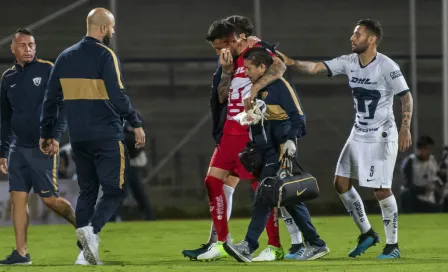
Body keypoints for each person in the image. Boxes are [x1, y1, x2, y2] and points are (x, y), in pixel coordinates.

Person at [267, 19, 413, 259]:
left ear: (372, 39)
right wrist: (291, 62)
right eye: (353, 34)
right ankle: (367, 232)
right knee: (341, 182)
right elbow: (316, 68)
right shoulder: (349, 62)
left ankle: (392, 245)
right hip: (358, 132)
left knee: (380, 189)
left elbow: (406, 96)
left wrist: (405, 127)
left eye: (358, 34)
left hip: (381, 135)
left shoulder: (387, 66)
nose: (352, 38)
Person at [39, 8, 145, 265]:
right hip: (107, 134)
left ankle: (84, 254)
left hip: (79, 137)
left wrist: (48, 133)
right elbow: (118, 95)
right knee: (115, 190)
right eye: (112, 27)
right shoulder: (106, 56)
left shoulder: (64, 57)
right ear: (103, 29)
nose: (113, 31)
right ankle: (91, 231)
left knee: (87, 191)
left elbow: (50, 99)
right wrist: (135, 122)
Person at [186, 16, 291, 262]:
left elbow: (280, 67)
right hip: (229, 133)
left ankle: (274, 246)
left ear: (232, 40)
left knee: (262, 188)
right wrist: (225, 71)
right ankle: (223, 242)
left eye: (220, 46)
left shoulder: (256, 53)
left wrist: (255, 88)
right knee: (213, 182)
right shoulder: (230, 61)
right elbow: (222, 96)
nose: (219, 51)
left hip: (251, 133)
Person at [224, 47, 330, 263]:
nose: (246, 73)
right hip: (266, 151)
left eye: (250, 68)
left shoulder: (281, 87)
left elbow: (299, 118)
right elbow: (262, 121)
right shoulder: (255, 89)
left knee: (266, 194)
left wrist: (291, 141)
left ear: (263, 67)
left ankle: (248, 245)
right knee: (288, 198)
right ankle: (317, 244)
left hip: (281, 150)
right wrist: (249, 120)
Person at [0, 28, 76, 265]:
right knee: (18, 199)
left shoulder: (47, 70)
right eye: (22, 45)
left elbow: (62, 106)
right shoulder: (7, 78)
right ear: (13, 48)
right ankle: (21, 254)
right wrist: (2, 151)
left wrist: (55, 136)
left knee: (50, 200)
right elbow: (4, 118)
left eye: (31, 45)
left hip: (42, 146)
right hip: (17, 149)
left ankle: (82, 225)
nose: (28, 49)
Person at [401, 136, 441, 212]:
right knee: (406, 193)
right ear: (419, 149)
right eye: (426, 149)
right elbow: (407, 183)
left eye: (430, 149)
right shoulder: (410, 161)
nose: (429, 152)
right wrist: (421, 189)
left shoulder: (432, 160)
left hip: (430, 197)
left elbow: (436, 176)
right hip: (415, 197)